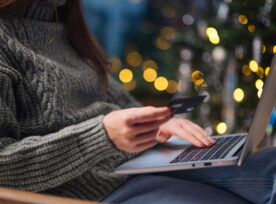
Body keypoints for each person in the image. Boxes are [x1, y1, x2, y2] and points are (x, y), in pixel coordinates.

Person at [0, 0, 275, 203]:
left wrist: (156, 124)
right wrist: (102, 135)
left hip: (142, 163)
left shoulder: (64, 26)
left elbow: (122, 104)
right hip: (98, 191)